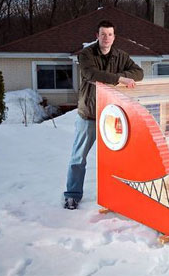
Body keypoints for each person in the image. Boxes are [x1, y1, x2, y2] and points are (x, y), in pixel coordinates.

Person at [64, 20, 144, 210]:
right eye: (103, 34)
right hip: (89, 115)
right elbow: (91, 74)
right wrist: (119, 79)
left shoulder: (120, 55)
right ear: (97, 36)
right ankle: (72, 195)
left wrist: (121, 76)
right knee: (78, 158)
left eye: (110, 34)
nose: (106, 38)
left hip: (112, 117)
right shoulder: (86, 54)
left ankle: (116, 196)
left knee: (116, 159)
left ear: (114, 37)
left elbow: (139, 73)